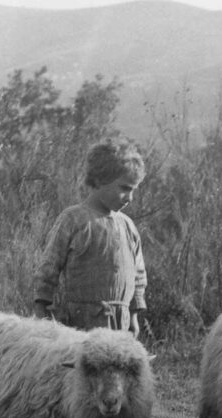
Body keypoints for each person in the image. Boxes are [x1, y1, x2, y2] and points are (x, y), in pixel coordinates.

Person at [34, 136, 147, 337]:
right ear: (100, 179)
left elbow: (138, 275)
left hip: (120, 324)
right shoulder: (74, 219)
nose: (130, 198)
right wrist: (41, 307)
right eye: (124, 188)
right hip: (79, 325)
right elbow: (49, 267)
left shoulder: (128, 226)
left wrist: (134, 316)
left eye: (133, 190)